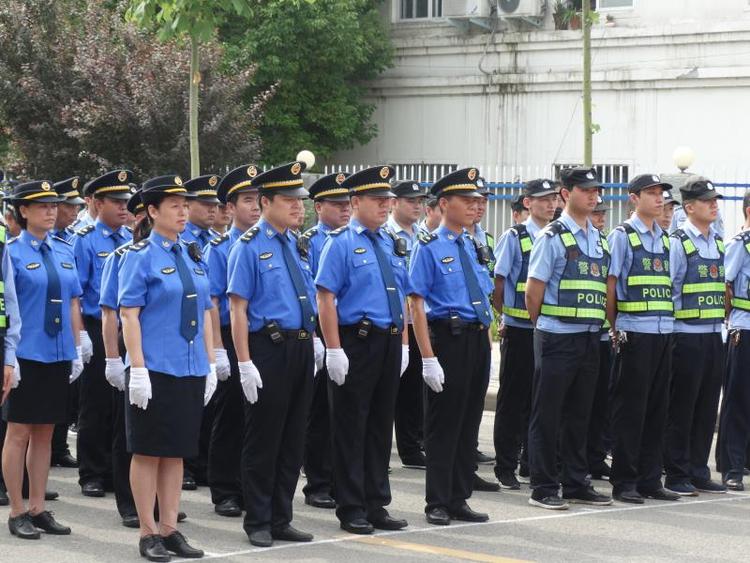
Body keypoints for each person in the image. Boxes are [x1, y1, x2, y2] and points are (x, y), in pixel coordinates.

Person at [119, 175, 216, 561]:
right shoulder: (139, 256)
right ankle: (147, 532)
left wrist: (210, 363)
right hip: (155, 368)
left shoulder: (191, 253)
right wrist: (137, 369)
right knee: (148, 451)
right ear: (153, 211)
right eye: (173, 205)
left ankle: (170, 528)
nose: (182, 210)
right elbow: (129, 314)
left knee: (175, 452)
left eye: (184, 204)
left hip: (188, 366)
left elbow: (207, 311)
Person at [315, 165, 410, 535]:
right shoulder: (340, 243)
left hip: (387, 340)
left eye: (388, 199)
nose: (386, 205)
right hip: (356, 340)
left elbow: (400, 296)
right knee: (351, 426)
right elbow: (326, 297)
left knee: (379, 425)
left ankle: (376, 502)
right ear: (355, 202)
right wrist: (334, 349)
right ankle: (351, 505)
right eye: (377, 199)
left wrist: (402, 343)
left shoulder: (388, 242)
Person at [227, 161, 317, 547]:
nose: (299, 207)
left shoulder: (297, 244)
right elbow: (237, 309)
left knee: (293, 438)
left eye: (300, 200)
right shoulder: (248, 247)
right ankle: (259, 519)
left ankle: (282, 516)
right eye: (289, 200)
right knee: (264, 438)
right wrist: (244, 362)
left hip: (299, 347)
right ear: (266, 202)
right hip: (268, 348)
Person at [408, 167, 494, 526]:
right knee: (444, 425)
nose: (476, 207)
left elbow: (483, 297)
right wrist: (428, 357)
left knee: (468, 423)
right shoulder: (428, 246)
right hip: (448, 338)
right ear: (444, 204)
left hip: (477, 337)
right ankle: (438, 501)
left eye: (478, 201)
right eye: (467, 200)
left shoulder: (474, 244)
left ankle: (459, 497)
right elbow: (416, 303)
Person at [525, 167, 612, 510]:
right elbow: (534, 291)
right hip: (558, 336)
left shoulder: (597, 237)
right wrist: (545, 326)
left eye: (596, 191)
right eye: (586, 190)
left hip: (590, 337)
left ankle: (576, 482)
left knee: (580, 414)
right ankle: (543, 485)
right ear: (566, 193)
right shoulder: (554, 236)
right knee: (547, 414)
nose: (593, 196)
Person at [2, 180, 80, 539]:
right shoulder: (11, 252)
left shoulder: (65, 250)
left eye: (54, 205)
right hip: (26, 352)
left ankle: (38, 506)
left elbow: (73, 301)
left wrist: (78, 346)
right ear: (24, 212)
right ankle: (16, 509)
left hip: (58, 351)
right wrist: (8, 355)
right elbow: (8, 306)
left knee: (46, 432)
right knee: (18, 432)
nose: (51, 211)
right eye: (42, 206)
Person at [607, 174, 679, 505]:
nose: (659, 198)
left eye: (661, 193)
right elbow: (611, 283)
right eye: (651, 193)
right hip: (634, 333)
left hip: (663, 334)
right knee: (631, 410)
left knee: (656, 409)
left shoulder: (665, 238)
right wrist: (613, 326)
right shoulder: (622, 235)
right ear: (634, 198)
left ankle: (650, 479)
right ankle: (624, 480)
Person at [492, 179, 556, 490]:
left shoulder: (556, 237)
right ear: (527, 203)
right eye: (542, 199)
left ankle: (530, 463)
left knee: (539, 400)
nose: (550, 204)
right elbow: (499, 282)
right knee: (512, 400)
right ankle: (505, 465)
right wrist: (503, 317)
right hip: (519, 331)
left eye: (553, 199)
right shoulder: (514, 237)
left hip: (546, 331)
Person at [664, 177, 727, 496]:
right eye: (707, 200)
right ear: (689, 207)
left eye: (715, 199)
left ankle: (698, 469)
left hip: (713, 335)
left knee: (705, 407)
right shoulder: (678, 242)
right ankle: (676, 472)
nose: (714, 204)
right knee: (682, 407)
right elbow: (670, 289)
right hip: (685, 336)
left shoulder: (717, 241)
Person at [204, 165, 260, 518]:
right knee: (229, 417)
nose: (255, 207)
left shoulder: (273, 244)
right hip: (227, 333)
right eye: (247, 200)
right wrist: (219, 351)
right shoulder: (221, 249)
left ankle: (250, 485)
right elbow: (211, 302)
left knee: (259, 417)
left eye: (258, 200)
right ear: (230, 208)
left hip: (260, 336)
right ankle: (225, 489)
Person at [75, 170, 134, 498]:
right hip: (97, 328)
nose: (123, 207)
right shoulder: (85, 240)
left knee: (120, 406)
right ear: (97, 203)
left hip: (128, 329)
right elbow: (77, 293)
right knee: (95, 404)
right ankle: (92, 472)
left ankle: (115, 471)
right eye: (115, 201)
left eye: (126, 201)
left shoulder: (130, 240)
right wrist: (81, 335)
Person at [298, 171, 351, 510]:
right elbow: (311, 294)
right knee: (321, 414)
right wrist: (318, 339)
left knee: (346, 414)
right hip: (321, 335)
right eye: (337, 204)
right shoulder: (309, 241)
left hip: (351, 334)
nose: (345, 209)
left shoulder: (356, 238)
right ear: (318, 207)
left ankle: (341, 480)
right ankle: (318, 481)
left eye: (348, 203)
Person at [99, 189, 147, 528]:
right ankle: (129, 502)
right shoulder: (121, 256)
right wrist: (113, 359)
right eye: (140, 217)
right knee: (126, 432)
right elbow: (110, 314)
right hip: (129, 346)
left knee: (155, 435)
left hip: (161, 350)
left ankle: (154, 500)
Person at [180, 174, 222, 491]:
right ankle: (187, 465)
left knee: (209, 404)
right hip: (179, 331)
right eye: (204, 204)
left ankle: (204, 462)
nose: (212, 210)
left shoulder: (212, 243)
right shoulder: (184, 243)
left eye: (214, 205)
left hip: (204, 326)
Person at [386, 179, 429, 470]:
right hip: (395, 323)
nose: (417, 206)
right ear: (394, 202)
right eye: (411, 200)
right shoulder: (387, 234)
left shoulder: (423, 235)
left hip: (420, 322)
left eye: (420, 201)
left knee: (414, 389)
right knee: (390, 389)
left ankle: (411, 447)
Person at [50, 176, 86, 469]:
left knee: (60, 400)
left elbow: (75, 295)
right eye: (67, 206)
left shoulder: (65, 244)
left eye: (76, 207)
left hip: (63, 329)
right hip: (33, 336)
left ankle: (57, 447)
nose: (73, 212)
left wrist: (77, 338)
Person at [720, 189, 750, 491]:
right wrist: (730, 320)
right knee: (739, 400)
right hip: (744, 327)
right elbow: (724, 285)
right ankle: (732, 467)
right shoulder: (740, 245)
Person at [586, 195, 613, 480]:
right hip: (565, 334)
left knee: (597, 403)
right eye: (597, 213)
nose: (601, 218)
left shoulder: (601, 242)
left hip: (601, 333)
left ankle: (594, 458)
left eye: (603, 213)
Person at [180, 175, 220, 248]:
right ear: (187, 205)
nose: (212, 210)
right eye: (206, 204)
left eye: (215, 205)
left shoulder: (218, 238)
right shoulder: (178, 237)